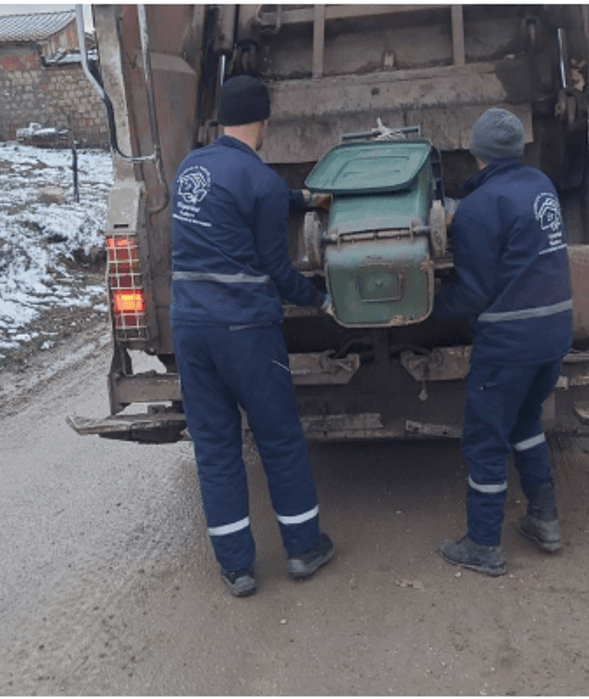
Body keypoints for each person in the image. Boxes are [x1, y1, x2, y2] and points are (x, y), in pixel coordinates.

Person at [170, 74, 335, 597]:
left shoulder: (190, 169)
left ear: (222, 119)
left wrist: (300, 198)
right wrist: (322, 300)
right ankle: (304, 548)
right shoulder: (258, 180)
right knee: (279, 441)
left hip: (191, 332)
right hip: (245, 333)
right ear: (262, 121)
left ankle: (237, 567)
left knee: (216, 449)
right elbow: (279, 272)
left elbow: (235, 199)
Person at [433, 107, 573, 576]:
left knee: (485, 440)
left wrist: (429, 307)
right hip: (554, 332)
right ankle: (545, 520)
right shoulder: (542, 186)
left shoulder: (478, 208)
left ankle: (484, 543)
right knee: (526, 421)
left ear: (477, 155)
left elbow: (475, 291)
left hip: (509, 342)